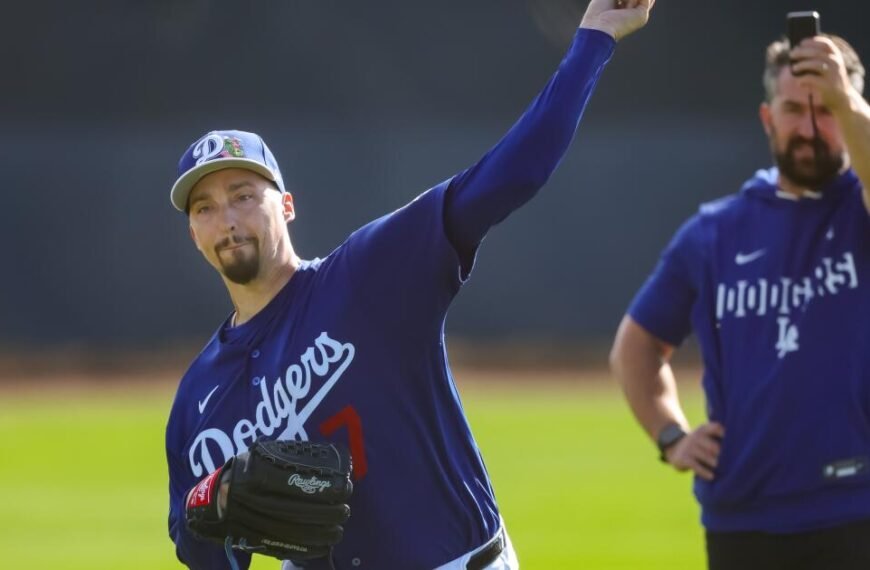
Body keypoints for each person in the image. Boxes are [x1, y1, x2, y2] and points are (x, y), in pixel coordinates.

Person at [165, 2, 654, 569]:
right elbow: (200, 550)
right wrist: (212, 500)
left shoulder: (369, 275)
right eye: (205, 208)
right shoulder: (198, 399)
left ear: (287, 206)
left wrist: (595, 35)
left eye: (244, 196)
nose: (227, 220)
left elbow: (512, 172)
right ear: (193, 234)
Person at [610, 27, 870, 570]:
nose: (810, 128)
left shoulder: (858, 212)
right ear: (767, 118)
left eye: (826, 110)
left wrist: (848, 101)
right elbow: (635, 348)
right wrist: (672, 437)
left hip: (856, 507)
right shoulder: (715, 231)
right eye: (794, 110)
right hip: (743, 518)